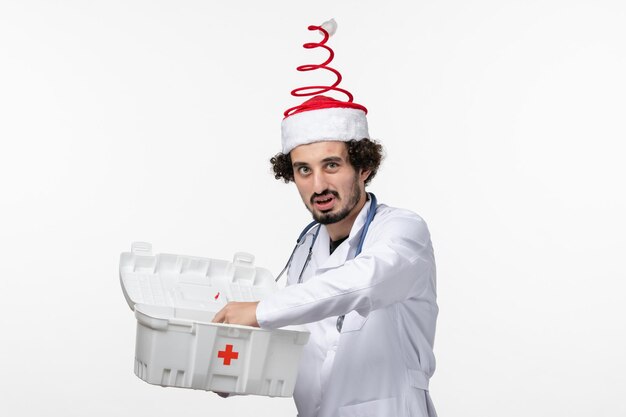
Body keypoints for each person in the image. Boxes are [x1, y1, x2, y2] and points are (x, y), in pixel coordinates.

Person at [212, 19, 438, 417]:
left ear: (364, 167)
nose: (318, 184)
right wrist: (225, 369)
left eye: (331, 165)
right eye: (303, 170)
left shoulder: (403, 232)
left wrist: (260, 310)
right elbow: (296, 346)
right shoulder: (304, 250)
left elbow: (364, 282)